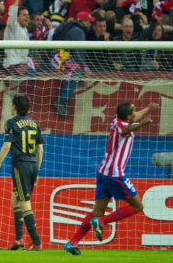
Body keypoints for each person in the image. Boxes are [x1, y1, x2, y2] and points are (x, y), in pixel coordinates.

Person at [64, 101, 159, 255]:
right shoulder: (123, 127)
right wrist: (142, 124)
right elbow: (128, 128)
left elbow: (131, 120)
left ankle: (71, 243)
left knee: (97, 211)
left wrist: (148, 109)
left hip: (103, 171)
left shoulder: (116, 121)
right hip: (115, 174)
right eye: (134, 112)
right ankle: (101, 222)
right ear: (128, 116)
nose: (136, 113)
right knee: (138, 206)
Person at [0, 94, 44, 251]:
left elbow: (7, 146)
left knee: (24, 203)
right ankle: (19, 239)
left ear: (14, 106)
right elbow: (40, 149)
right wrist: (37, 171)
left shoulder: (11, 122)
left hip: (20, 166)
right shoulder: (34, 124)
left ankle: (37, 242)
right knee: (16, 199)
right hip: (33, 164)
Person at [51, 11, 93, 119]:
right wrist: (85, 68)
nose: (90, 25)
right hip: (60, 57)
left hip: (56, 56)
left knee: (75, 69)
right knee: (76, 71)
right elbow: (78, 52)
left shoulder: (68, 26)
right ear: (83, 21)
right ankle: (62, 102)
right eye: (89, 22)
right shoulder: (78, 31)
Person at [3, 0, 37, 95]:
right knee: (32, 75)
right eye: (24, 15)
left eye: (28, 15)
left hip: (22, 62)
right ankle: (21, 98)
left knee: (41, 65)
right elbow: (12, 12)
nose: (27, 17)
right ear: (17, 17)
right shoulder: (13, 25)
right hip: (13, 64)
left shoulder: (24, 29)